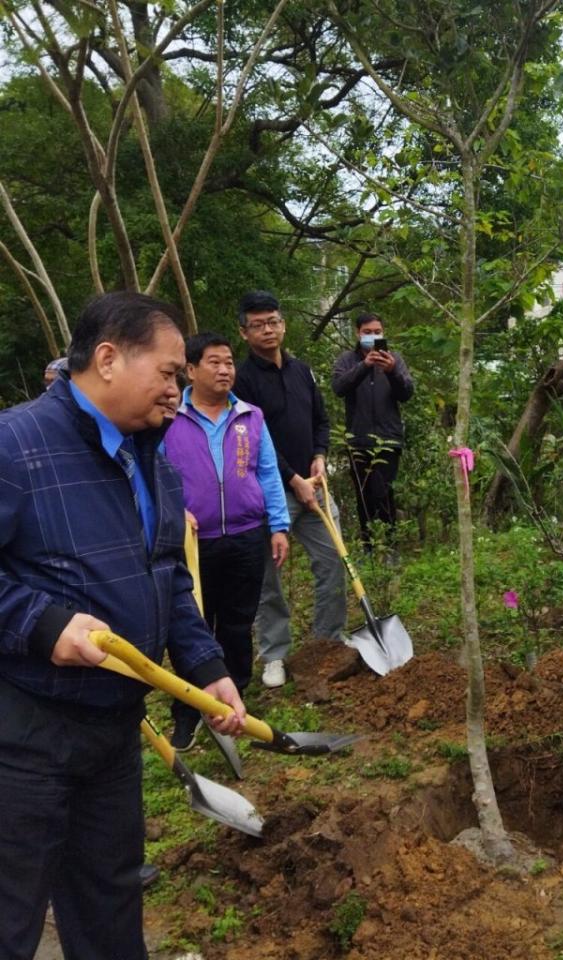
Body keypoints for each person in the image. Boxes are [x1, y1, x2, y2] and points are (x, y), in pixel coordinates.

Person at [0, 291, 245, 959]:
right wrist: (43, 624)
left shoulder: (152, 460)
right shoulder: (15, 445)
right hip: (24, 738)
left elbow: (168, 576)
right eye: (168, 373)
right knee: (10, 916)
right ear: (108, 359)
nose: (179, 387)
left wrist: (206, 667)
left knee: (109, 909)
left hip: (111, 739)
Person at [162, 333, 290, 749]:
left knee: (237, 623)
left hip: (245, 537)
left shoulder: (250, 416)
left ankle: (236, 702)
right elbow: (150, 472)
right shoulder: (168, 417)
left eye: (229, 362)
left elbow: (268, 472)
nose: (224, 370)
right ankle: (187, 712)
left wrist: (278, 525)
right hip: (191, 543)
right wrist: (171, 509)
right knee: (191, 625)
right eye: (214, 363)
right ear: (191, 369)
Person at [233, 290, 346, 688]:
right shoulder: (241, 381)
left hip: (312, 485)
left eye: (274, 321)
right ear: (244, 332)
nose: (269, 330)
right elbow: (252, 442)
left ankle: (328, 642)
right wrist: (292, 480)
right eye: (259, 324)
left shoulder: (302, 371)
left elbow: (321, 420)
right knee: (269, 579)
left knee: (333, 561)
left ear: (283, 324)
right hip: (269, 494)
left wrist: (319, 455)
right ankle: (275, 655)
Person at [332, 311, 415, 551]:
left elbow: (407, 393)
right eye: (367, 332)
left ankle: (389, 546)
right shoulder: (347, 360)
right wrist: (364, 366)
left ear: (383, 333)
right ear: (358, 334)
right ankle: (368, 545)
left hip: (388, 440)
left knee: (384, 492)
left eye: (377, 332)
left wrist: (391, 372)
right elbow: (339, 387)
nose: (372, 336)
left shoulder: (394, 359)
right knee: (363, 495)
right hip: (357, 440)